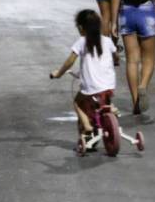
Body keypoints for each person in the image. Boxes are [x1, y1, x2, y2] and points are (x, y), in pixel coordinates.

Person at [49, 9, 117, 151]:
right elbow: (114, 58)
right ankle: (111, 111)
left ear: (81, 28)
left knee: (78, 102)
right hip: (109, 86)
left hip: (92, 88)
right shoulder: (108, 41)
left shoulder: (81, 41)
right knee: (103, 102)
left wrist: (59, 74)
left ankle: (86, 124)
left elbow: (69, 62)